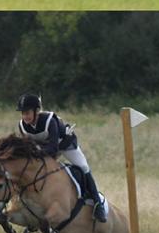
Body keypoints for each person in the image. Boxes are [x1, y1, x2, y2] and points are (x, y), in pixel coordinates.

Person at [16, 92, 107, 223]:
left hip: (64, 144)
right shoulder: (22, 126)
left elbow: (53, 149)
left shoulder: (49, 121)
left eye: (27, 112)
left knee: (83, 166)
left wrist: (36, 153)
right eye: (23, 113)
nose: (25, 116)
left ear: (37, 111)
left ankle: (98, 204)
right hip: (44, 150)